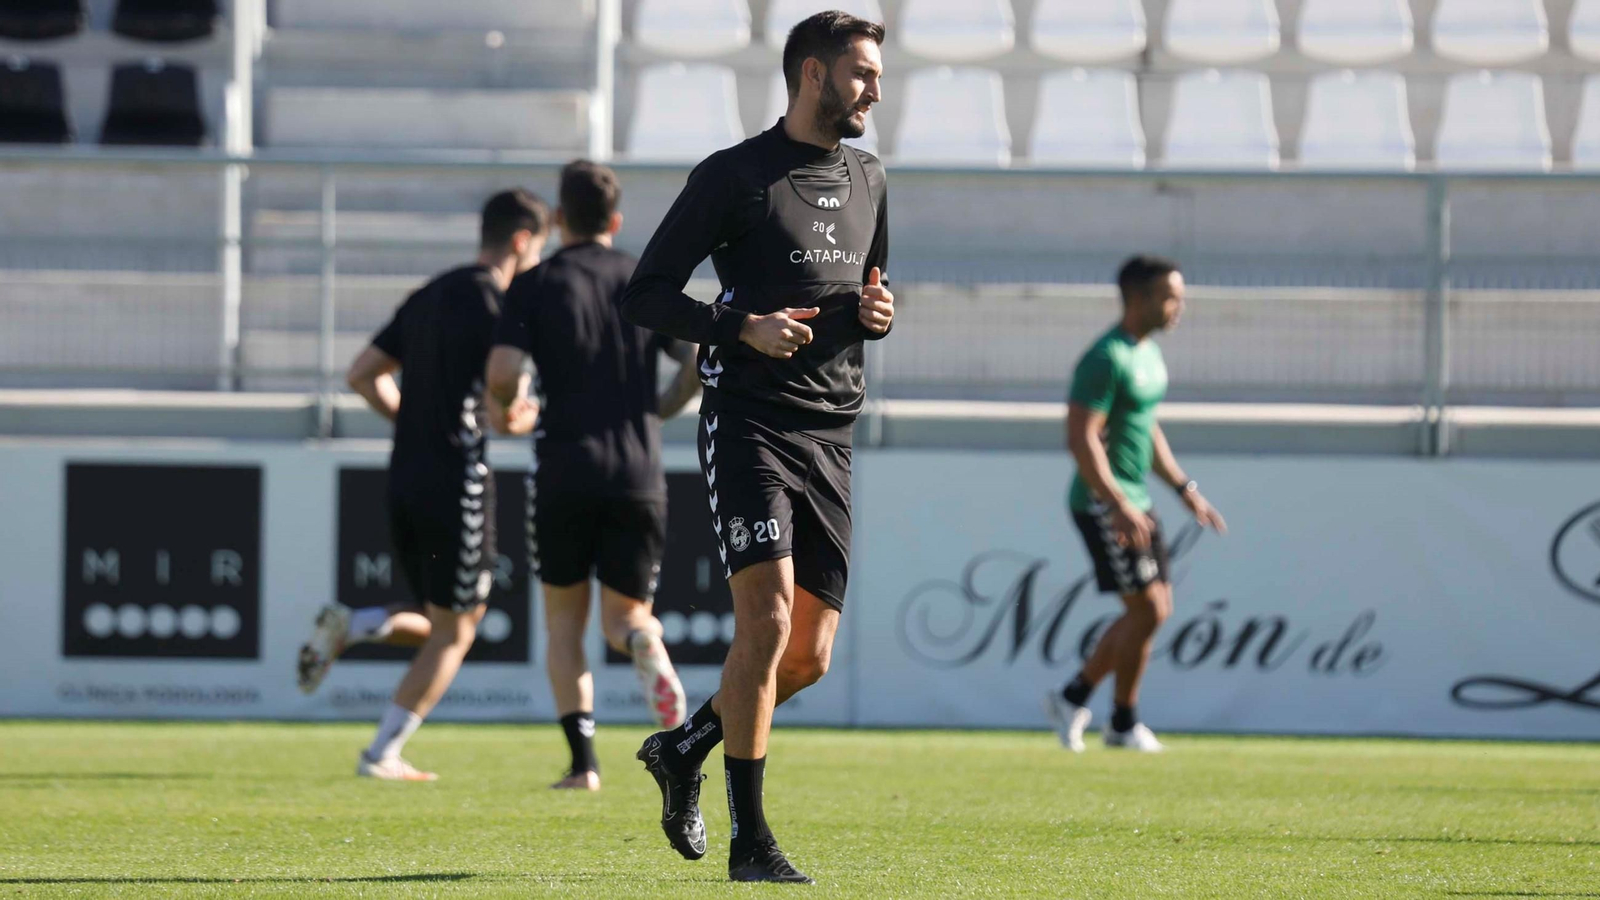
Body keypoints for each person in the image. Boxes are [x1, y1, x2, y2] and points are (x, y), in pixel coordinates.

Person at [621, 10, 893, 885]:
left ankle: (684, 747)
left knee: (805, 657)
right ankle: (752, 844)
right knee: (767, 622)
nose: (874, 88)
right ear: (811, 74)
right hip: (748, 421)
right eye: (860, 72)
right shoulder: (734, 175)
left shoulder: (872, 178)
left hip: (832, 432)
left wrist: (876, 317)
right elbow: (647, 295)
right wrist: (739, 326)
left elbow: (863, 293)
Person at [485, 160, 700, 792]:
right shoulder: (644, 278)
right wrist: (659, 408)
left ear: (557, 219)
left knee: (563, 624)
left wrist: (509, 409)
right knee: (626, 615)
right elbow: (694, 359)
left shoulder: (536, 282)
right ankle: (644, 642)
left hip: (563, 471)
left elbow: (501, 371)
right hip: (637, 470)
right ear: (615, 221)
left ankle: (583, 765)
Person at [331, 189, 549, 780]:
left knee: (442, 616)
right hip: (459, 478)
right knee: (458, 627)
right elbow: (505, 411)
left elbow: (362, 375)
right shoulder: (499, 305)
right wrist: (522, 416)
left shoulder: (430, 293)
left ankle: (362, 624)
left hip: (404, 471)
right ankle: (382, 753)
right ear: (523, 241)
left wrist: (414, 421)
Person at [1043, 255, 1227, 754]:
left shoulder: (1146, 354)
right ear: (1139, 298)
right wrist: (1118, 502)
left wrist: (1184, 488)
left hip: (1137, 500)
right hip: (1105, 502)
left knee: (1155, 610)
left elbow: (1146, 430)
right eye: (1172, 297)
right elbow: (1081, 440)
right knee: (1147, 609)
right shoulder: (1105, 358)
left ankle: (1109, 714)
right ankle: (1096, 708)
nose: (1179, 308)